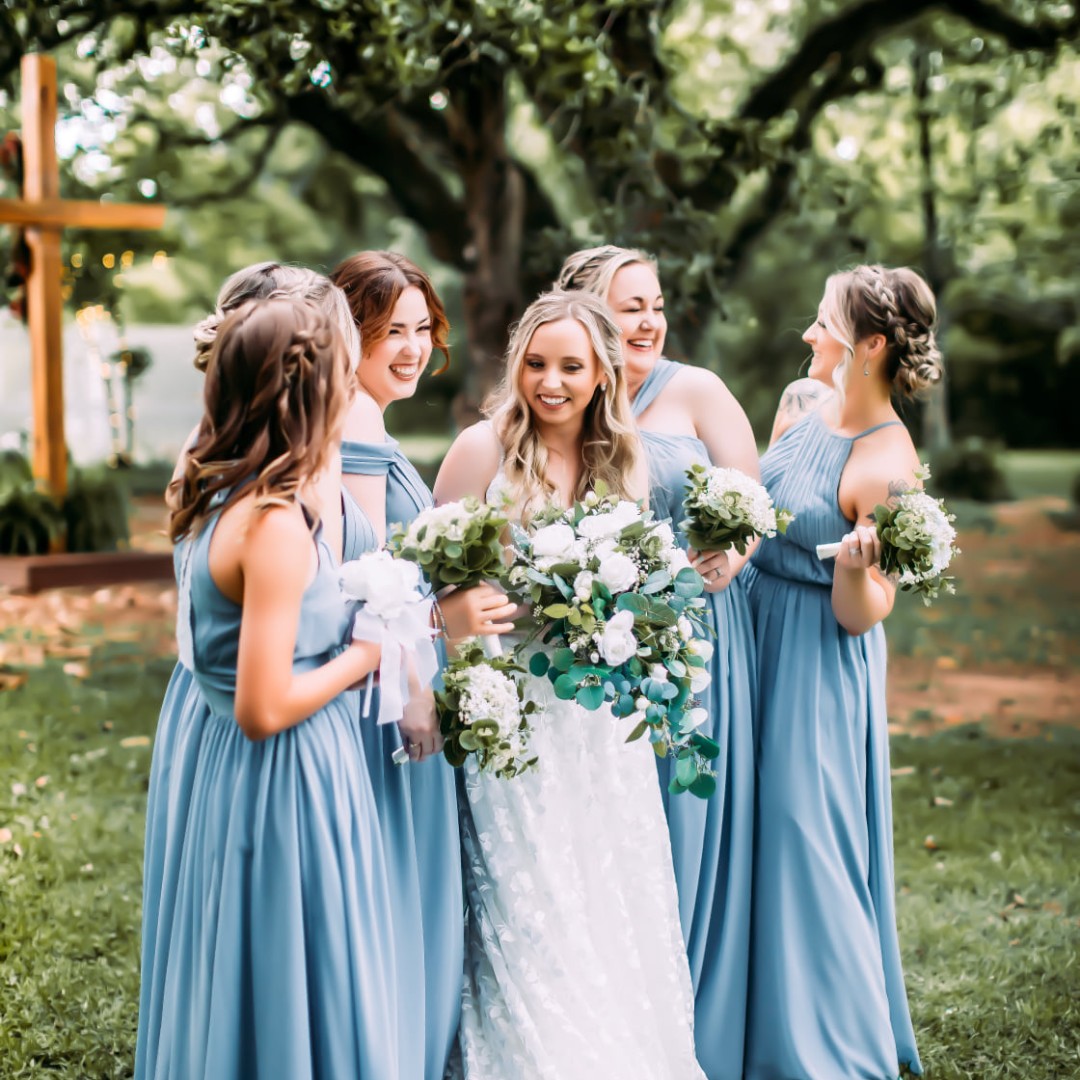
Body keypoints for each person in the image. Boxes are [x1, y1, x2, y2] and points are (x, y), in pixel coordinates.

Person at [434, 290, 704, 1079]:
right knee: (533, 889)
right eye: (536, 363)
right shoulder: (479, 451)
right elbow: (432, 578)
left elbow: (643, 582)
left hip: (595, 714)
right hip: (511, 704)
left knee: (608, 882)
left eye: (570, 367)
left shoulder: (622, 460)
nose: (550, 382)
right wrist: (470, 606)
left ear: (601, 378)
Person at [135, 298, 399, 1078]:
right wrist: (365, 655)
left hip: (232, 766)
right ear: (310, 396)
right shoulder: (274, 524)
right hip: (286, 771)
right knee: (296, 961)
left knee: (249, 964)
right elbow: (262, 708)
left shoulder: (215, 489)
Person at [557, 244, 757, 1078]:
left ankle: (696, 1025)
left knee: (690, 824)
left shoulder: (698, 390)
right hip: (600, 653)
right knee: (607, 836)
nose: (647, 321)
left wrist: (732, 554)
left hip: (702, 641)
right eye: (627, 305)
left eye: (654, 303)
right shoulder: (565, 400)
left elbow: (751, 495)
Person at [742, 264, 937, 1078]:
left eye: (823, 322)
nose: (808, 335)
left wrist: (858, 568)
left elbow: (864, 612)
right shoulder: (799, 405)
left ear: (870, 346)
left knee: (803, 835)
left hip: (819, 658)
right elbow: (755, 509)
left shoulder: (888, 466)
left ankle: (821, 1041)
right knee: (746, 826)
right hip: (751, 624)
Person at [330, 251, 511, 1080]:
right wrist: (427, 663)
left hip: (399, 672)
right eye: (387, 331)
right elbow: (366, 581)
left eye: (418, 330)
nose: (409, 349)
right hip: (388, 691)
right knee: (403, 873)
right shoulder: (357, 425)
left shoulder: (364, 415)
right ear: (346, 334)